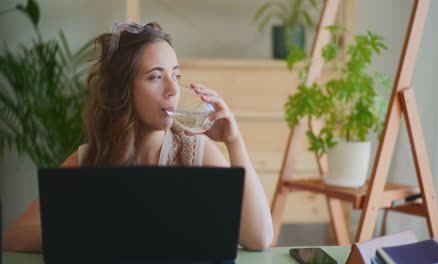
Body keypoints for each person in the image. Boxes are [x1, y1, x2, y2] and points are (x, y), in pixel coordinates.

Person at [2, 21, 273, 252]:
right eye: (156, 77)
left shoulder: (195, 152)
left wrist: (233, 142)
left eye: (175, 76)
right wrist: (97, 233)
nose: (172, 90)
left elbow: (258, 239)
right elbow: (13, 237)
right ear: (123, 90)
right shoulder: (88, 159)